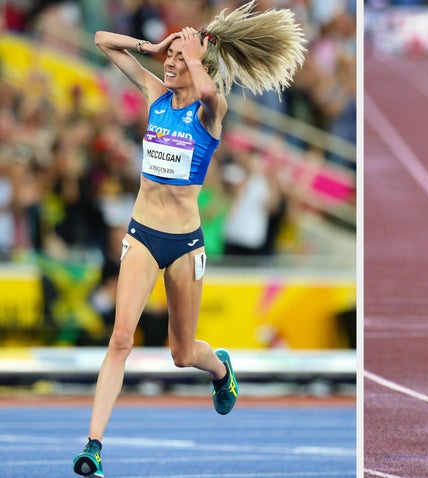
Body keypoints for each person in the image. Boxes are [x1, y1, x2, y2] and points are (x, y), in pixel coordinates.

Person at [72, 2, 305, 477]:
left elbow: (208, 91)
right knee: (121, 340)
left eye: (179, 57)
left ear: (199, 64)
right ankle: (94, 445)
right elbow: (100, 40)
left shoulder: (209, 113)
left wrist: (195, 56)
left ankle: (219, 368)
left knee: (182, 354)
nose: (171, 63)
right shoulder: (155, 95)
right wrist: (153, 46)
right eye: (170, 58)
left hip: (184, 246)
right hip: (141, 235)